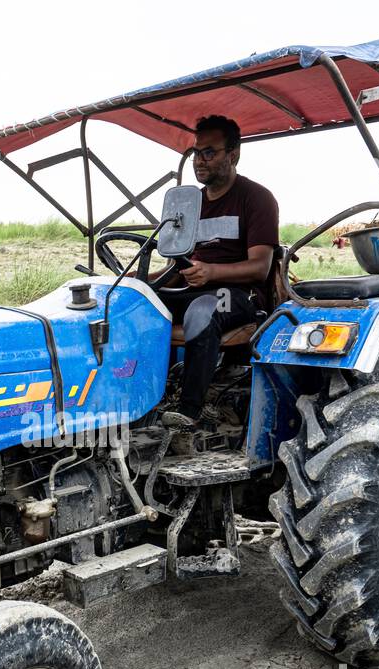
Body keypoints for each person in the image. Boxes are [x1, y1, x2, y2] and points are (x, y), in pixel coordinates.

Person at [160, 115, 279, 454]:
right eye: (196, 153)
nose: (200, 161)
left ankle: (189, 414)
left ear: (233, 155)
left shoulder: (256, 199)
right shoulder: (188, 205)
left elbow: (260, 267)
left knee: (204, 308)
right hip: (196, 285)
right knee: (136, 304)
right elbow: (174, 265)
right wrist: (140, 285)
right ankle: (147, 399)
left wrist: (211, 272)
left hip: (240, 294)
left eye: (209, 152)